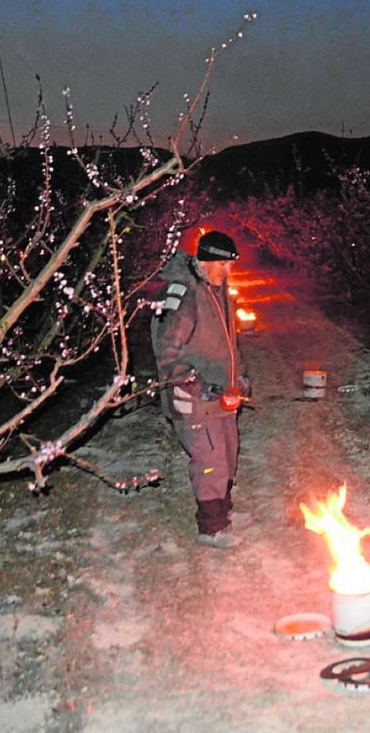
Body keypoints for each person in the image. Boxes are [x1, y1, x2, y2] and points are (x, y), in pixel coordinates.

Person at [151, 230, 250, 550]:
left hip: (222, 397)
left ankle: (224, 510)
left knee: (227, 454)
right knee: (210, 460)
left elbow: (228, 345)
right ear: (206, 261)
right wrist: (199, 386)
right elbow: (167, 351)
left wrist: (240, 381)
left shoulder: (216, 289)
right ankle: (211, 528)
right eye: (224, 265)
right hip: (195, 400)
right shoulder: (183, 294)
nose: (228, 272)